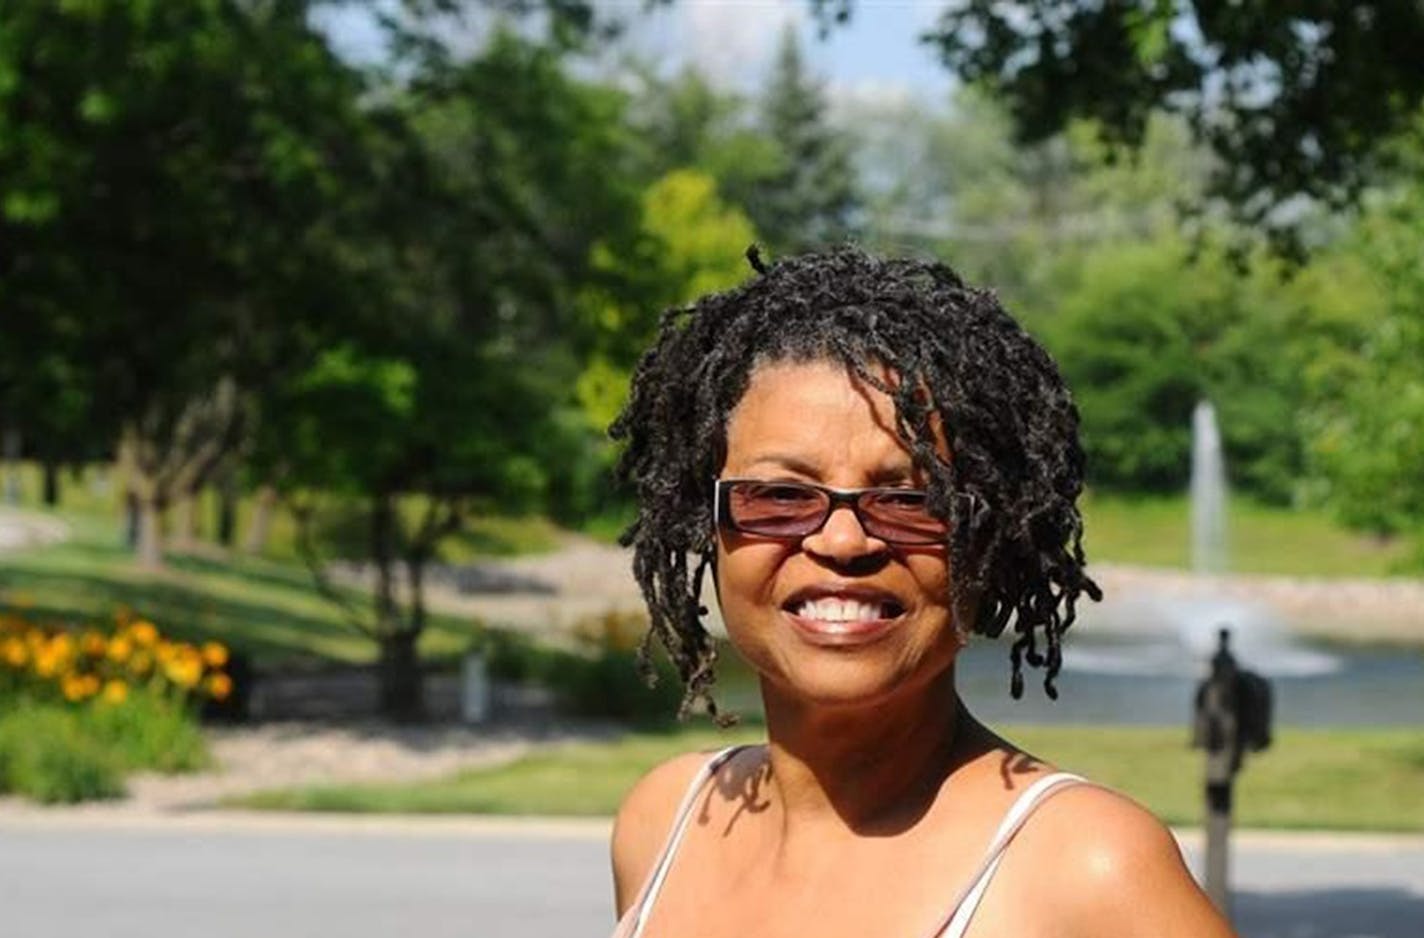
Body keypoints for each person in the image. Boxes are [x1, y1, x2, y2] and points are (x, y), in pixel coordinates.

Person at [607, 247, 1236, 938]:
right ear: (706, 523)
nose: (844, 543)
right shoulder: (667, 820)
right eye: (780, 497)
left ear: (991, 538)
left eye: (913, 500)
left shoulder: (1087, 871)